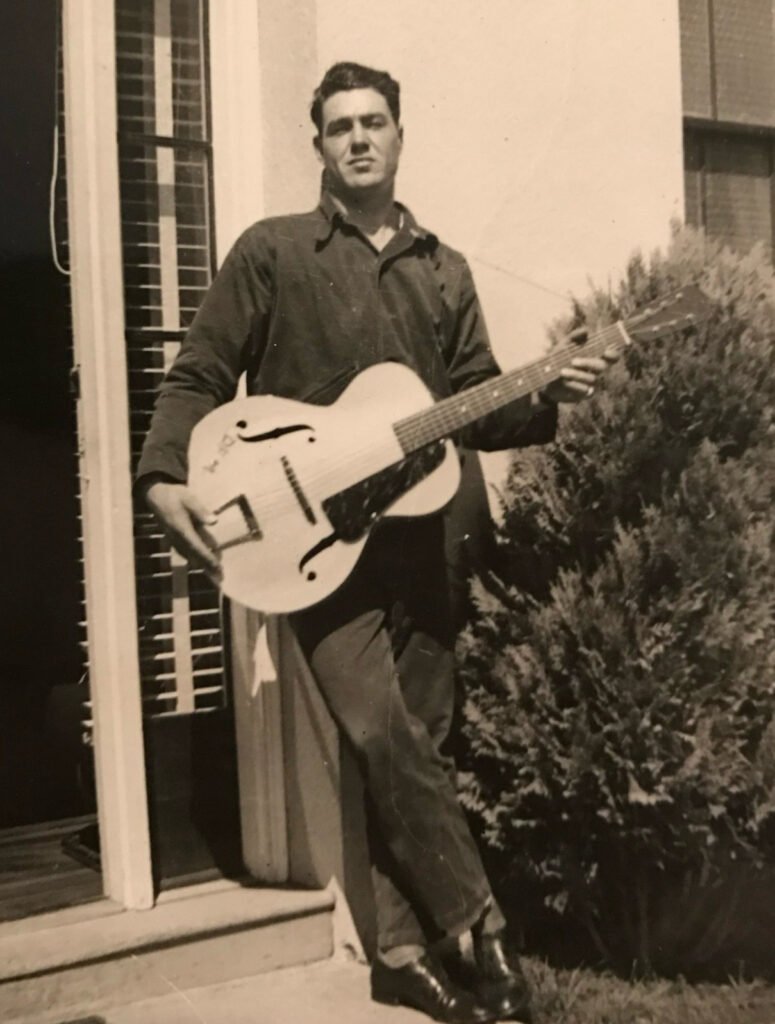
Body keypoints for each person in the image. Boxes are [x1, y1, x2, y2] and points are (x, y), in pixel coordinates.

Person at [137, 62, 616, 1024]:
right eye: (339, 126)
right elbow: (199, 374)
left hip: (422, 544)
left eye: (374, 122)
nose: (358, 138)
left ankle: (399, 956)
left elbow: (475, 404)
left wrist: (547, 396)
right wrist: (162, 476)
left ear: (399, 135)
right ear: (317, 144)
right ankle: (481, 924)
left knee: (418, 742)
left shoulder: (443, 268)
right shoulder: (273, 252)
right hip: (312, 551)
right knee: (380, 733)